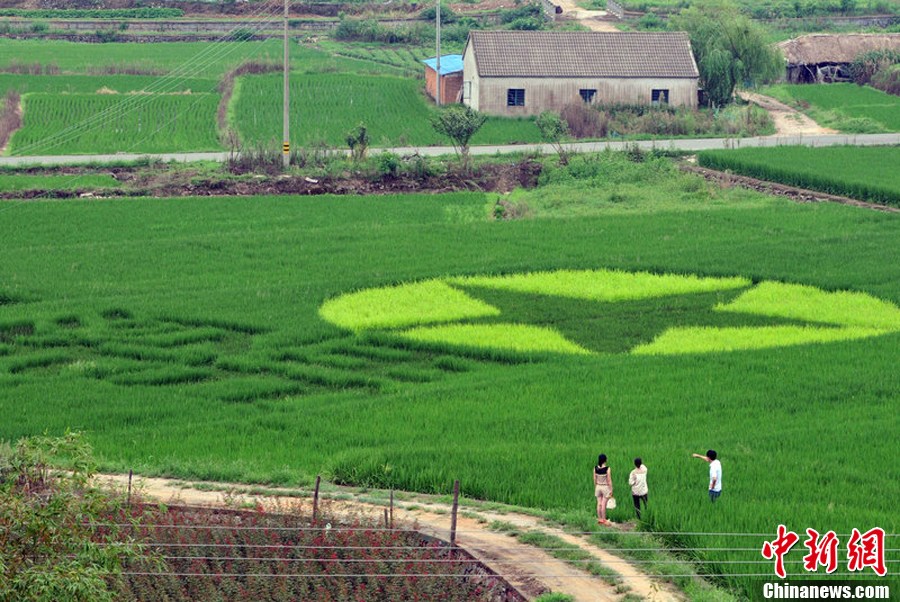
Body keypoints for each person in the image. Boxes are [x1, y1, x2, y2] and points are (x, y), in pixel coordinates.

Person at [593, 453, 613, 525]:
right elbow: (609, 480)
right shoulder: (607, 469)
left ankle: (599, 519)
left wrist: (596, 486)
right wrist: (611, 489)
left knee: (599, 504)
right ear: (605, 460)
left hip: (598, 486)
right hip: (605, 487)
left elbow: (594, 479)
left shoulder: (595, 468)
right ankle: (604, 520)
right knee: (604, 504)